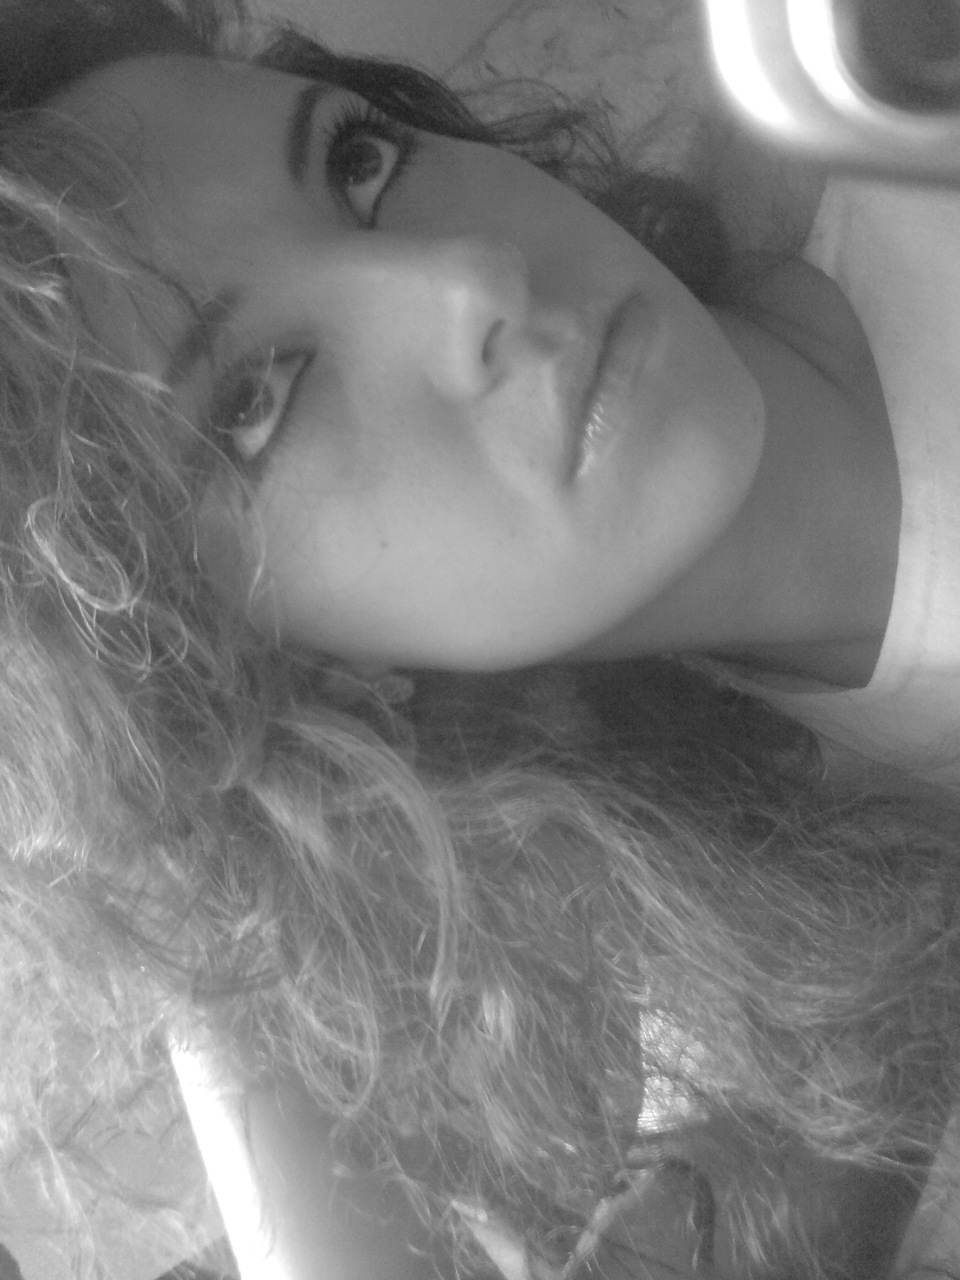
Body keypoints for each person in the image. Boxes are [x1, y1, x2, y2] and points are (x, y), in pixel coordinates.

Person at [1, 1, 959, 1277]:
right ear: (294, 683)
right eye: (254, 399)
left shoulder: (892, 77)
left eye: (359, 160)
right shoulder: (825, 896)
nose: (472, 280)